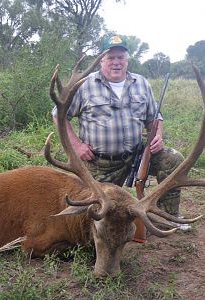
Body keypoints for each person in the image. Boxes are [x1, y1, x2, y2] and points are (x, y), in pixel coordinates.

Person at [52, 35, 190, 232]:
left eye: (121, 57)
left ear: (127, 60)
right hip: (100, 163)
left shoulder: (141, 83)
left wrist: (158, 133)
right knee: (93, 216)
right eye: (111, 58)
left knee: (173, 159)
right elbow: (59, 115)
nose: (116, 62)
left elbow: (154, 118)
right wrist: (76, 145)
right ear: (102, 60)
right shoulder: (84, 85)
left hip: (136, 155)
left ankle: (167, 216)